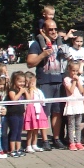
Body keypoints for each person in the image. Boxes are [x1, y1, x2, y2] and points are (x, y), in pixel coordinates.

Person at [27, 17, 69, 149]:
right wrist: (43, 55)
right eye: (50, 29)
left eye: (55, 29)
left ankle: (56, 138)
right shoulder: (37, 44)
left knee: (57, 112)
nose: (54, 31)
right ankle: (44, 140)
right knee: (44, 113)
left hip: (59, 81)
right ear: (43, 30)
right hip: (44, 82)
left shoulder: (60, 43)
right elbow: (29, 63)